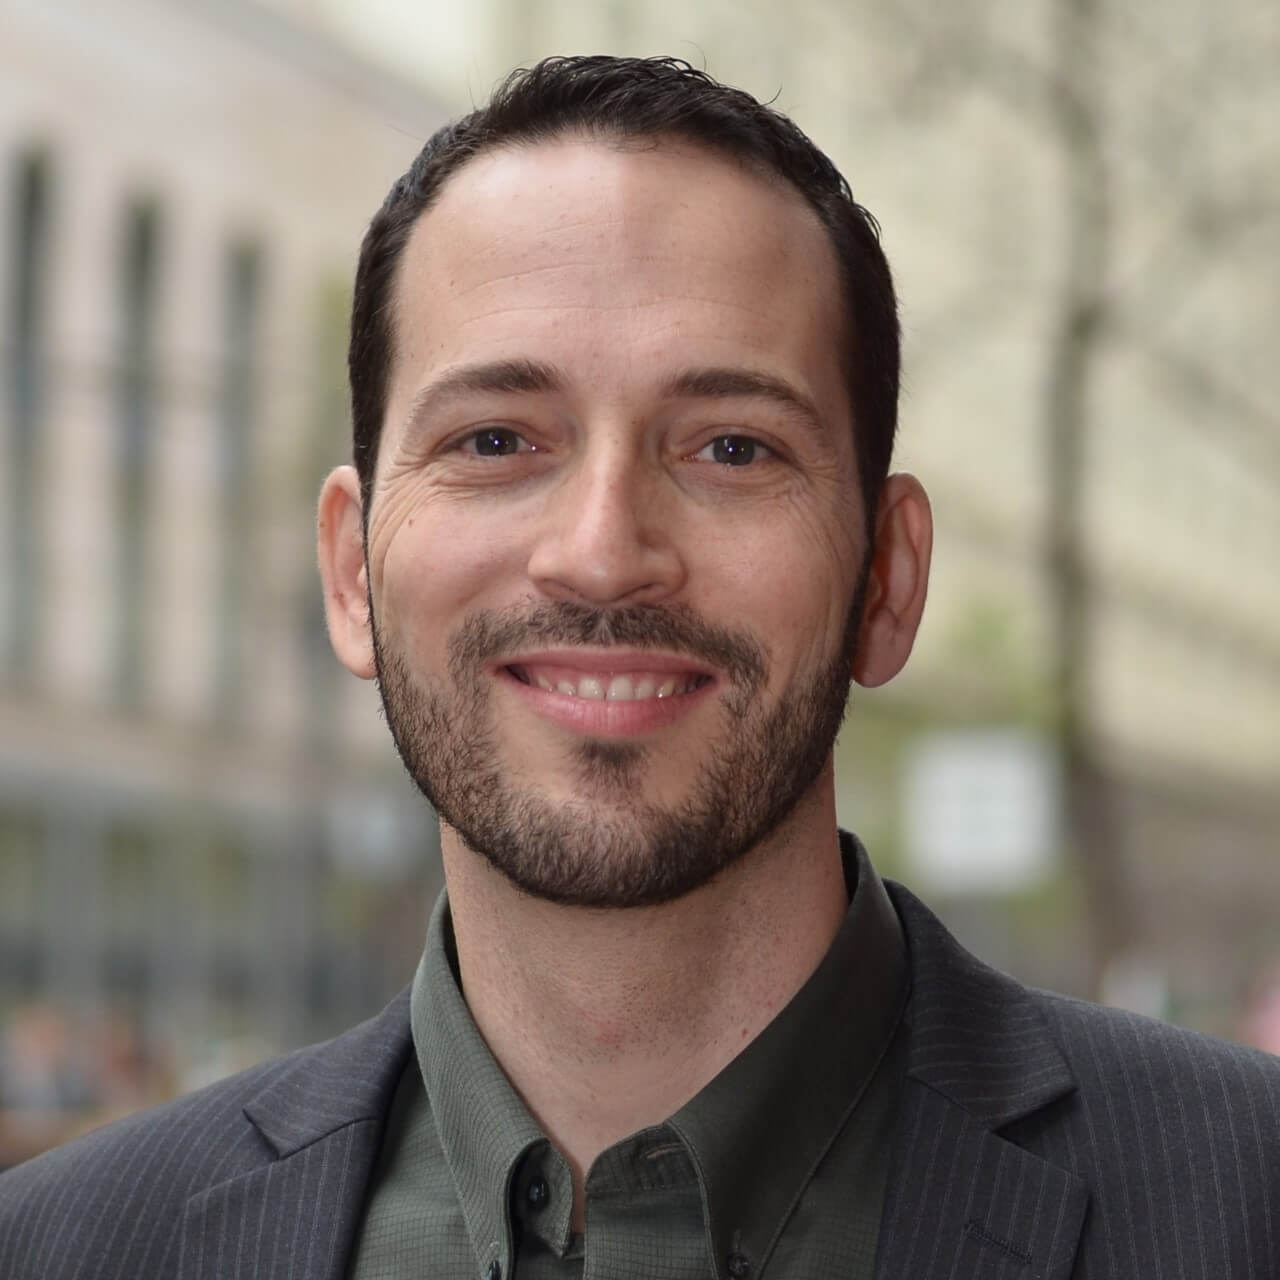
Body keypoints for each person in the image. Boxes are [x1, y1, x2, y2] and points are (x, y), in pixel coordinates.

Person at [0, 54, 1276, 1280]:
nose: (603, 553)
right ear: (350, 572)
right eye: (496, 437)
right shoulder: (65, 1248)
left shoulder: (1245, 1202)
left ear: (884, 579)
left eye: (728, 447)